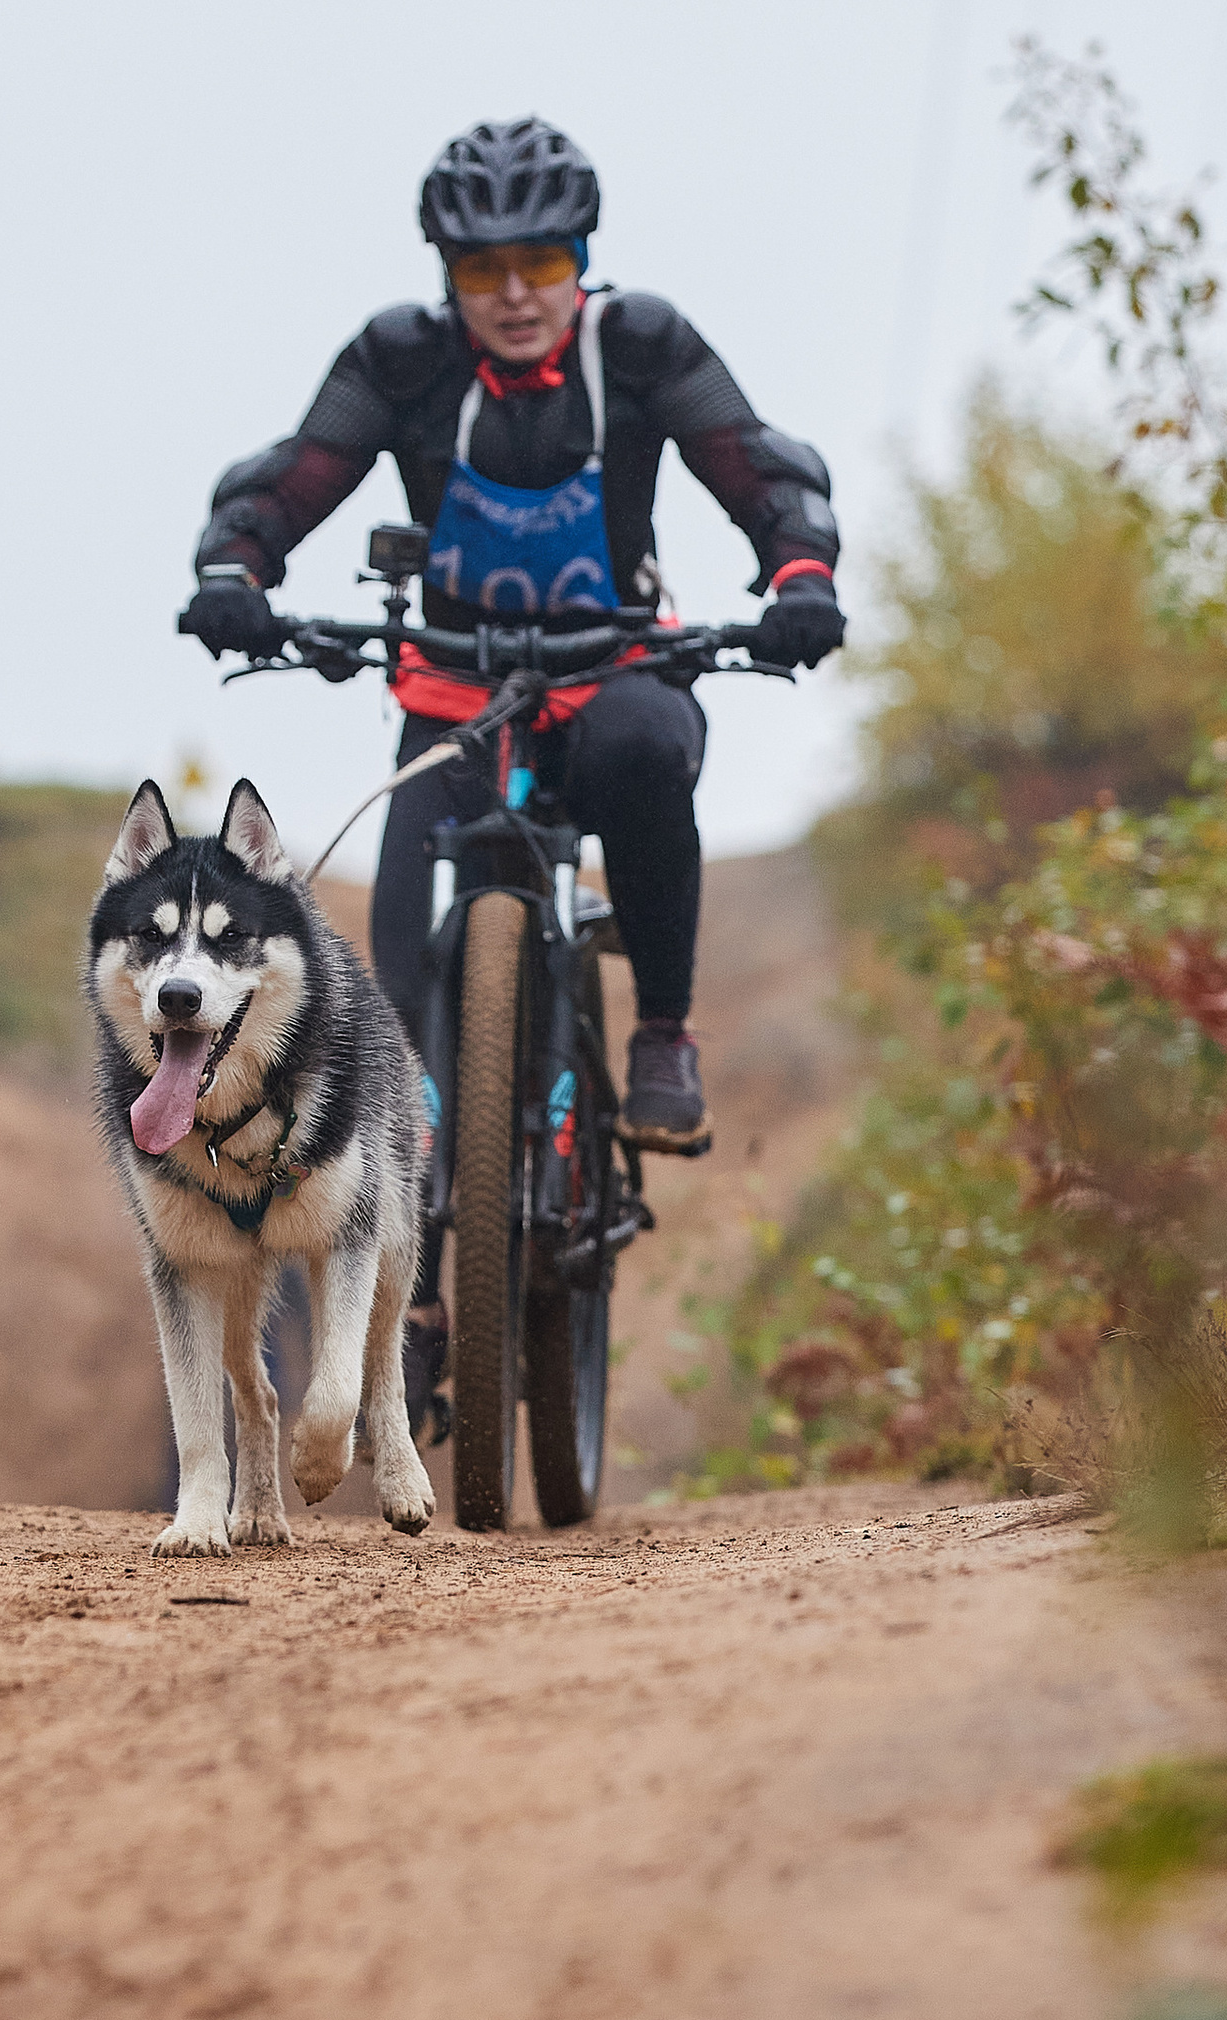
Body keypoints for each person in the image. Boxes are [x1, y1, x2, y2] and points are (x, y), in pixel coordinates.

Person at [181, 117, 842, 1403]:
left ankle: (656, 1036)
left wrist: (800, 574)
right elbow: (288, 476)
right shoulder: (402, 362)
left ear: (580, 258)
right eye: (482, 271)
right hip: (452, 692)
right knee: (404, 962)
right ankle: (416, 1300)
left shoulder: (640, 346)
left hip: (613, 674)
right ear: (446, 275)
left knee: (654, 751)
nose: (516, 295)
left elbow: (764, 472)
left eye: (539, 261)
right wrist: (235, 571)